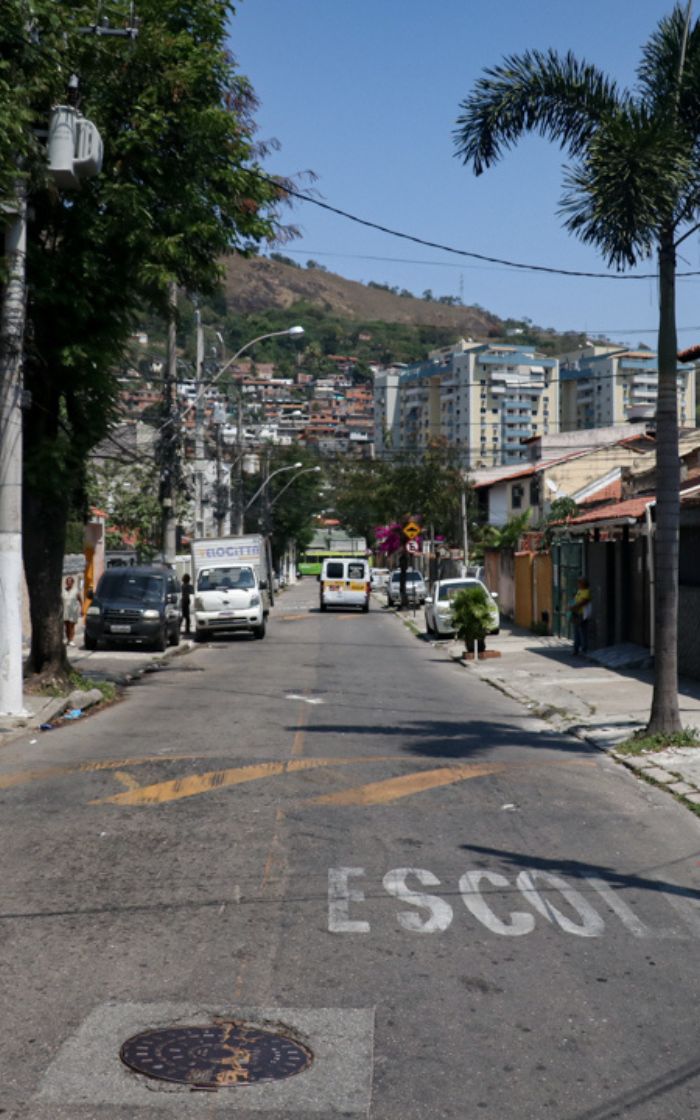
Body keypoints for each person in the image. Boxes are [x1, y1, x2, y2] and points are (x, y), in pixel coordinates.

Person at [570, 577, 592, 655]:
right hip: (576, 614)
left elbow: (583, 602)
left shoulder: (586, 591)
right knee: (576, 632)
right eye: (578, 582)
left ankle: (584, 649)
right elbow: (576, 600)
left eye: (579, 582)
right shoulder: (579, 591)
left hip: (582, 614)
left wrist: (573, 607)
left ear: (583, 584)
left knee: (582, 631)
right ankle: (576, 649)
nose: (578, 584)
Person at [62, 575, 83, 647]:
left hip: (73, 611)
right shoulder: (63, 590)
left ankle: (71, 640)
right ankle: (68, 639)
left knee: (71, 625)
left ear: (73, 583)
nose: (69, 583)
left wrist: (82, 609)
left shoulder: (76, 591)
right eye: (67, 582)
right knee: (66, 626)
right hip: (65, 611)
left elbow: (80, 600)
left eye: (70, 582)